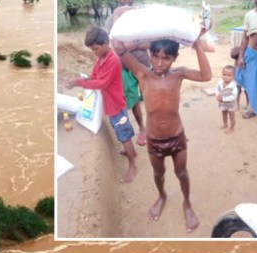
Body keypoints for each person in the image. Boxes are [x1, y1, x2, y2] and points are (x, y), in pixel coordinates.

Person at [113, 30, 212, 233]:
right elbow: (118, 46)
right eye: (155, 56)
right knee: (158, 174)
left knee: (182, 173)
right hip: (154, 140)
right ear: (150, 55)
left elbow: (206, 75)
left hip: (177, 137)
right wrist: (146, 42)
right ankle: (162, 195)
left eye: (166, 58)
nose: (159, 63)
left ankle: (187, 204)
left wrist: (196, 44)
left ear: (175, 58)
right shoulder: (143, 74)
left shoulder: (179, 74)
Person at [66, 26, 138, 183]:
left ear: (106, 43)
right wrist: (85, 80)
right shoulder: (101, 59)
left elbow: (102, 83)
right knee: (121, 131)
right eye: (92, 50)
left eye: (96, 49)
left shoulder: (113, 60)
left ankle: (133, 166)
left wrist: (79, 82)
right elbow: (94, 76)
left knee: (124, 135)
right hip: (110, 104)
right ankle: (130, 152)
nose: (94, 52)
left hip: (116, 104)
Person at [105, 0, 148, 146]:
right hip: (124, 66)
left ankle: (153, 129)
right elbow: (115, 45)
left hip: (144, 64)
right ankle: (142, 129)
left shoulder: (141, 15)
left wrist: (127, 47)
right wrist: (117, 16)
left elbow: (148, 42)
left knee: (150, 97)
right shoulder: (111, 18)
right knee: (134, 100)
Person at [215, 64, 239, 133]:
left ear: (233, 77)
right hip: (222, 103)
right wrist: (217, 95)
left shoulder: (233, 86)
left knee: (232, 117)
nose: (226, 77)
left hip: (230, 105)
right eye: (224, 74)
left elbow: (233, 97)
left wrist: (223, 99)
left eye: (229, 75)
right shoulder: (220, 83)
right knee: (224, 114)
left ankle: (232, 128)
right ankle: (225, 124)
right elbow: (217, 89)